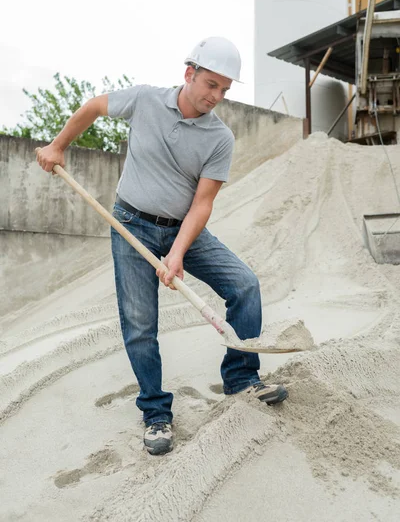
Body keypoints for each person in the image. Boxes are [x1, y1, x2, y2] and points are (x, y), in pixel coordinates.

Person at [36, 36, 288, 456]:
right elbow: (95, 107)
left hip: (184, 230)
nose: (216, 96)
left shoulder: (219, 138)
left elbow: (202, 204)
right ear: (189, 74)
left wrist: (177, 253)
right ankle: (155, 414)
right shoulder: (145, 100)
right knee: (139, 323)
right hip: (131, 224)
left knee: (244, 285)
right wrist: (59, 145)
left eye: (225, 89)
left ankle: (242, 380)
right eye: (210, 84)